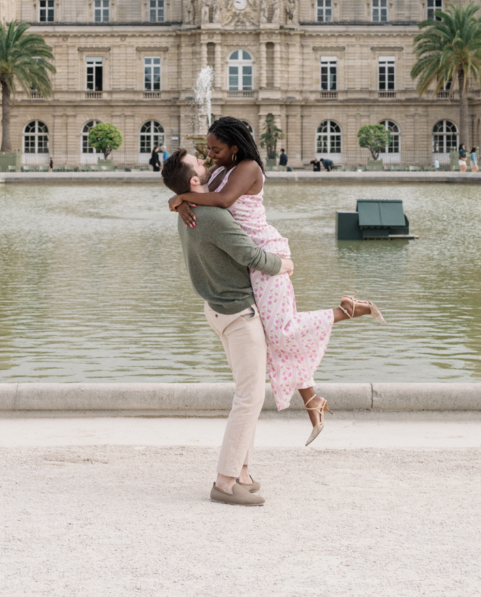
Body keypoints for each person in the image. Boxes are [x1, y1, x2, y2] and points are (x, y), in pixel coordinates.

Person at [168, 118, 384, 441]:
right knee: (273, 336)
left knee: (282, 331)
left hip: (266, 255)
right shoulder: (217, 170)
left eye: (216, 149)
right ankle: (313, 401)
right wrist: (179, 198)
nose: (210, 155)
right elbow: (194, 183)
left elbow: (224, 201)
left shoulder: (249, 167)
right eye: (209, 150)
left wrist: (182, 200)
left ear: (235, 147)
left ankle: (348, 310)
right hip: (249, 259)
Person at [160, 149, 291, 507]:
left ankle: (243, 473)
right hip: (238, 315)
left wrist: (177, 200)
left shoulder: (186, 212)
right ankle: (225, 481)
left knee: (247, 394)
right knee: (249, 398)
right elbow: (250, 255)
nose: (206, 161)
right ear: (194, 181)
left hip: (217, 310)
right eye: (200, 163)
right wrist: (284, 264)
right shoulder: (214, 217)